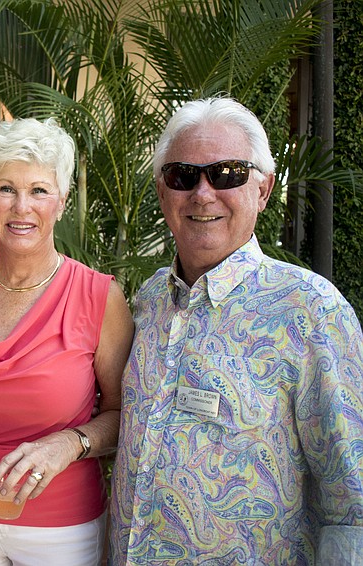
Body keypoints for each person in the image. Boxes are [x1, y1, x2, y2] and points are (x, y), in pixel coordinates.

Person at [110, 97, 363, 563]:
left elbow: (351, 500)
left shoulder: (311, 311)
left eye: (227, 174)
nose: (202, 193)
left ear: (263, 190)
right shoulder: (149, 298)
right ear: (164, 193)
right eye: (183, 176)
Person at [0, 117, 134, 565]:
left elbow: (125, 413)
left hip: (62, 525)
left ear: (62, 202)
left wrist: (70, 443)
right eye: (6, 188)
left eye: (39, 190)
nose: (22, 206)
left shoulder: (99, 297)